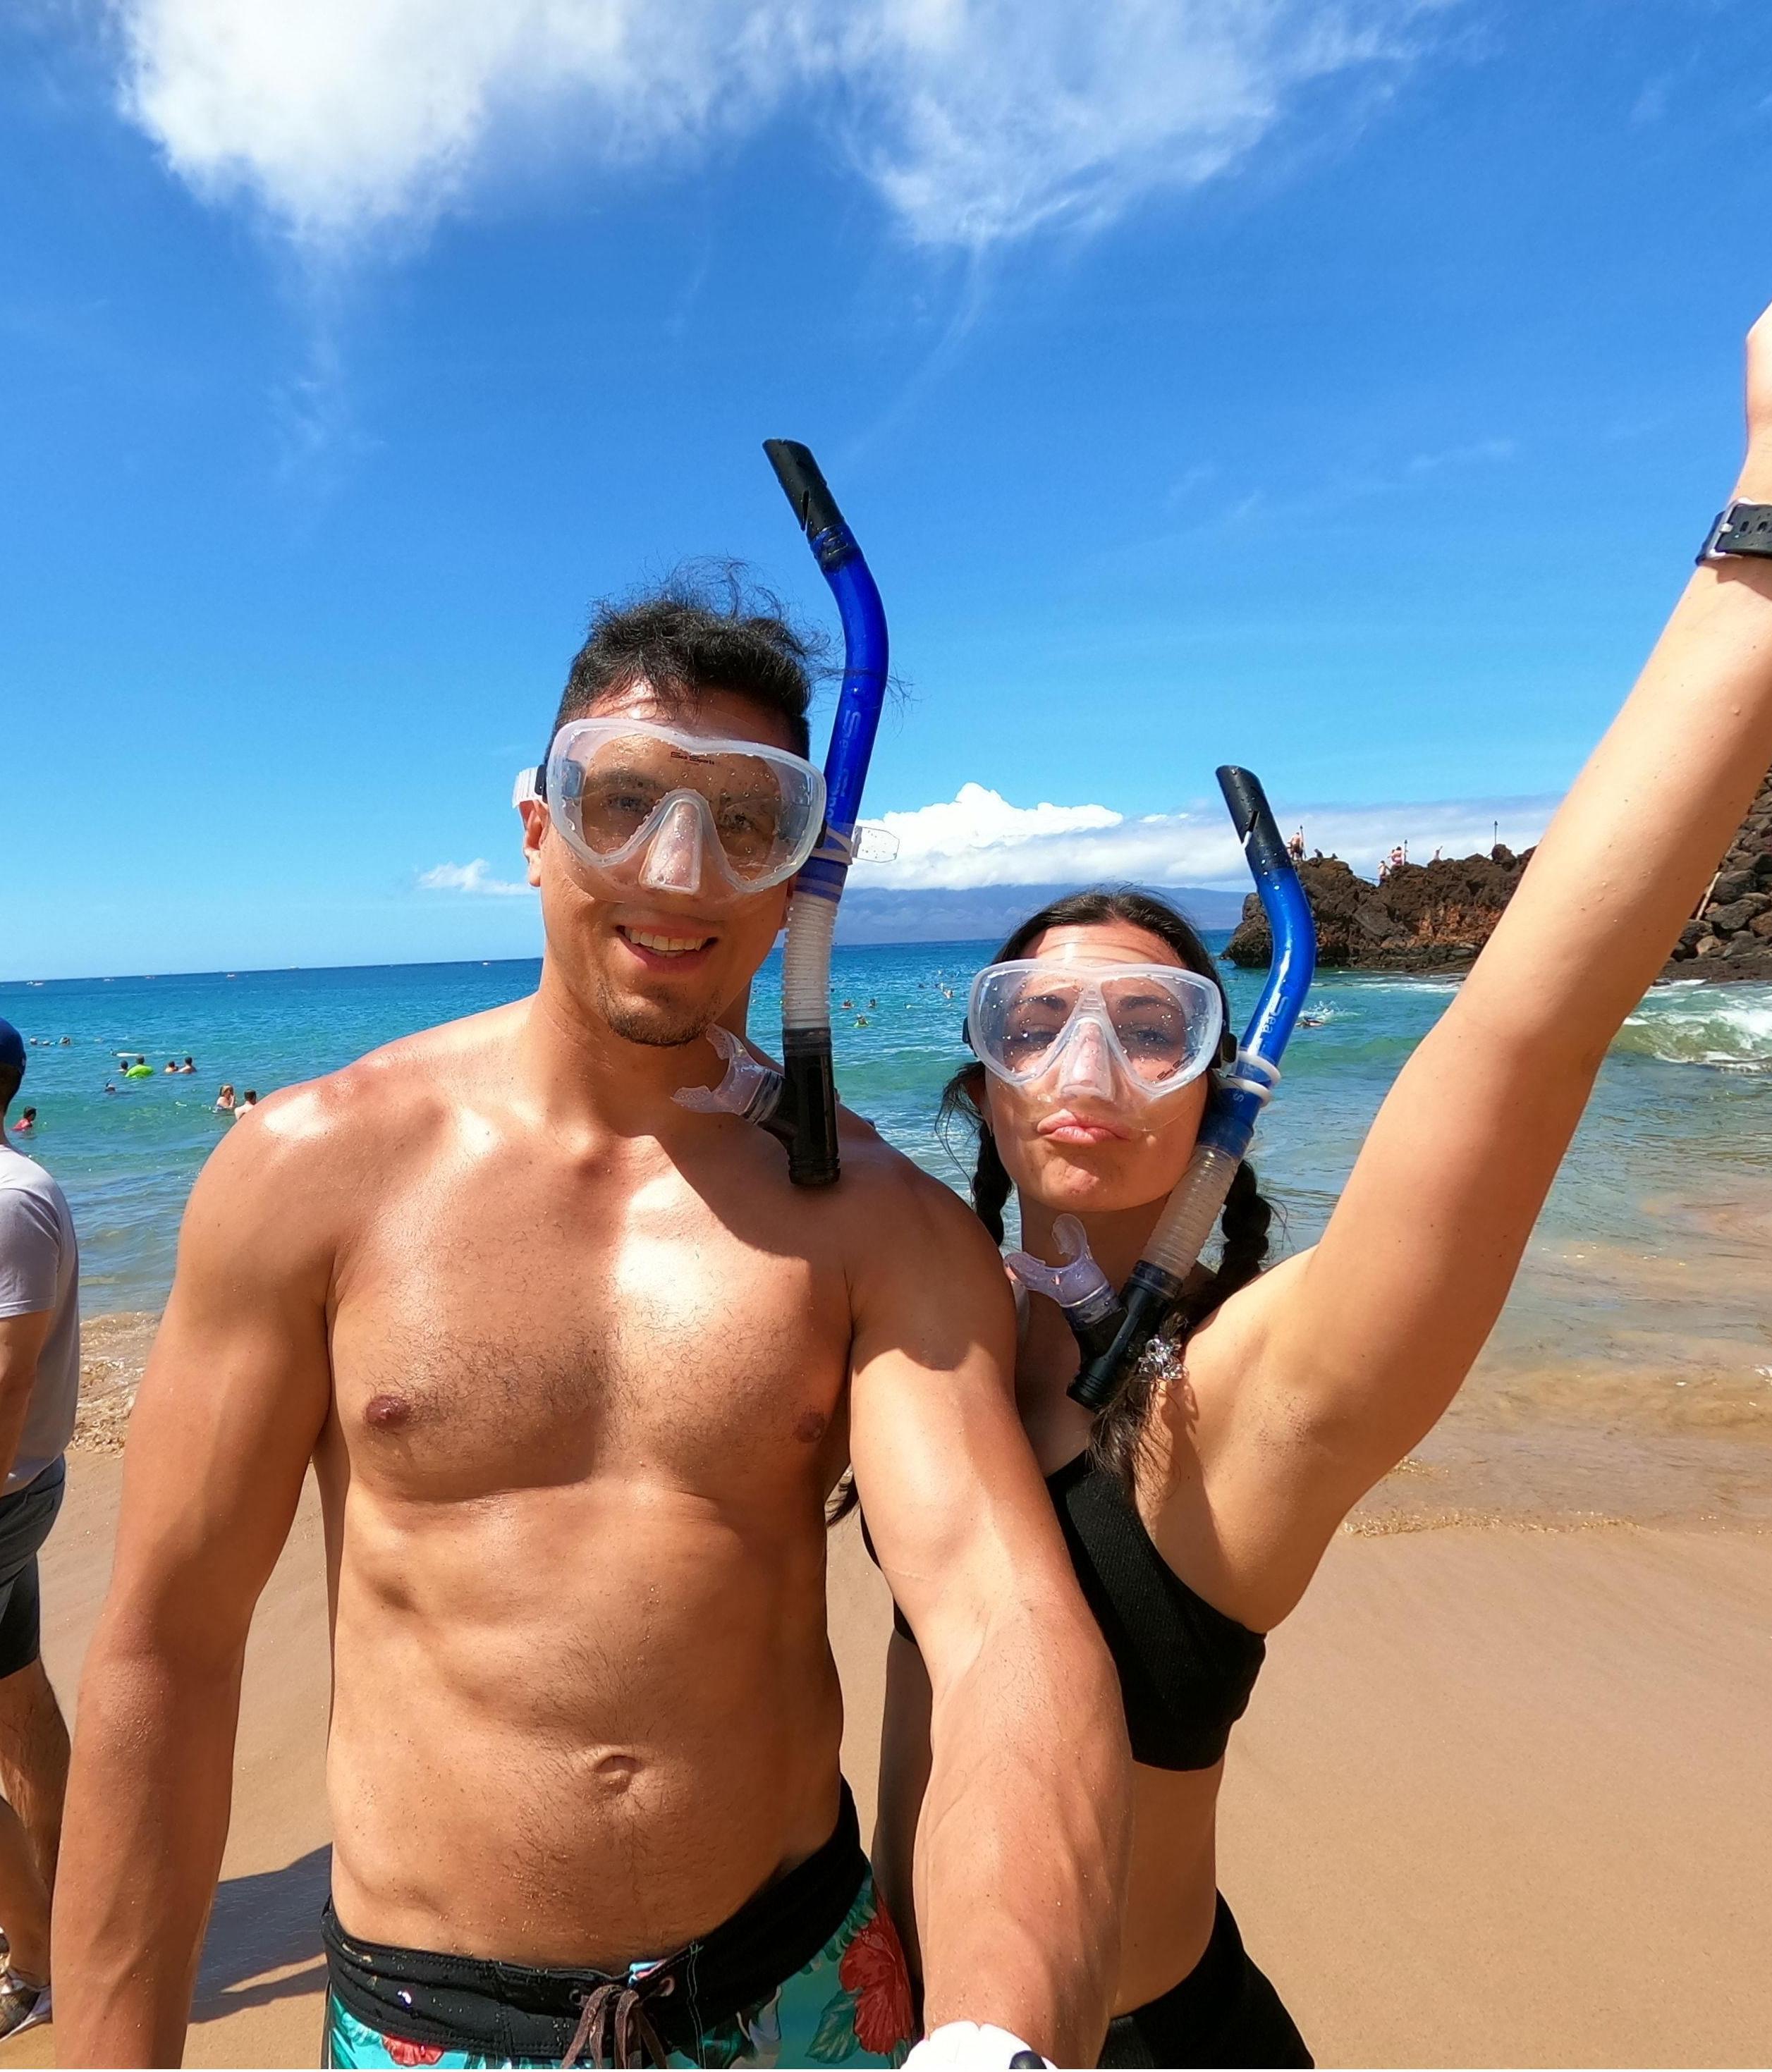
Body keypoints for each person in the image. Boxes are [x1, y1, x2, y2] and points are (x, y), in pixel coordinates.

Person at [872, 209, 1772, 2066]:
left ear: (1223, 1082)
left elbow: (1528, 1020)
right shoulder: (915, 1321)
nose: (1086, 1056)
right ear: (979, 1085)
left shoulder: (1242, 1392)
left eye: (1152, 1016)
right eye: (1031, 1018)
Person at [54, 581, 1129, 2067]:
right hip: (433, 2025)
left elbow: (1008, 1627)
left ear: (810, 862)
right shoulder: (312, 1175)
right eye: (622, 802)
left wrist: (996, 2030)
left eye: (745, 820)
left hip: (806, 1993)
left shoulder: (880, 1221)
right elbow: (167, 1655)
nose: (679, 873)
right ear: (535, 825)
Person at [0, 1021, 79, 2043]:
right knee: (16, 1691)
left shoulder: (10, 1200)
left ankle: (36, 1959)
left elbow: (7, 1382)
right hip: (19, 1488)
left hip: (6, 1490)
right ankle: (57, 1901)